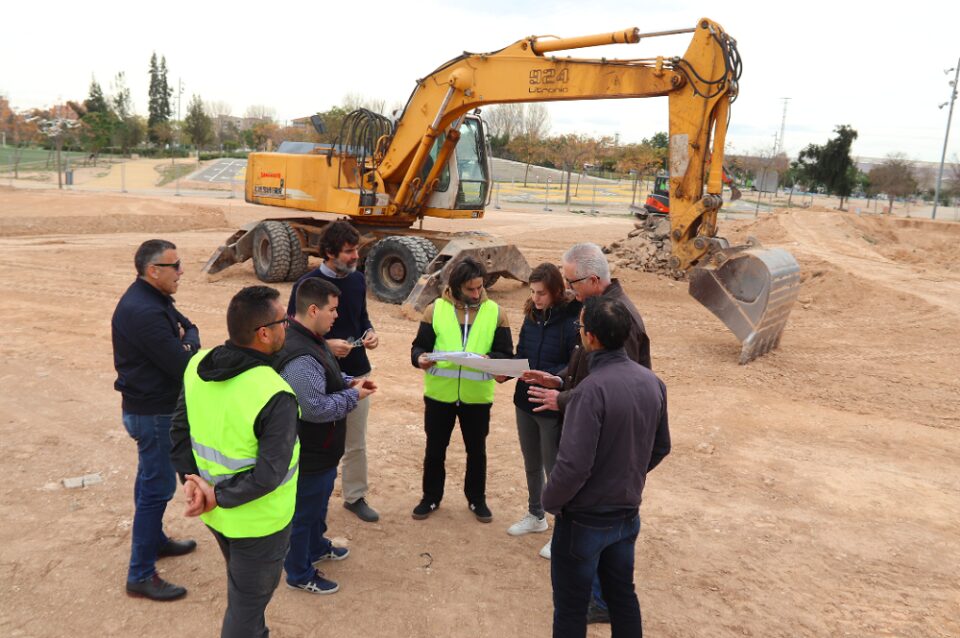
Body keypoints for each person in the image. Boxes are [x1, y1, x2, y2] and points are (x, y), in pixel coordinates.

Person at [523, 242, 652, 621]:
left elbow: (607, 389)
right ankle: (602, 598)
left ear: (594, 279)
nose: (568, 291)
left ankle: (598, 602)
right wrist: (560, 380)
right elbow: (587, 368)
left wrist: (552, 501)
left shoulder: (616, 318)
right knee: (617, 572)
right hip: (616, 483)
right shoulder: (598, 312)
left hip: (600, 481)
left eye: (571, 282)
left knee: (578, 590)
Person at [170, 286, 300, 638]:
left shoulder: (198, 364)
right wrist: (213, 494)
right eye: (283, 321)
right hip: (260, 522)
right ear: (264, 333)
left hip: (216, 515)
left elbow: (180, 430)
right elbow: (269, 475)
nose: (287, 327)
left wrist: (193, 482)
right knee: (246, 607)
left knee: (244, 593)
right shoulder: (275, 393)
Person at [542, 296, 671, 638]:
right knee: (622, 596)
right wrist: (625, 475)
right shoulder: (653, 383)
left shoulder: (591, 391)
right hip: (627, 514)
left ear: (591, 338)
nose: (580, 333)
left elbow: (573, 466)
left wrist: (550, 502)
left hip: (584, 520)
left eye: (581, 328)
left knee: (571, 607)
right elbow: (661, 447)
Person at [276, 278, 377, 595]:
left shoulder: (313, 339)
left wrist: (348, 382)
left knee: (317, 506)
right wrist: (353, 398)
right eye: (333, 310)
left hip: (322, 450)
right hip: (309, 452)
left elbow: (325, 376)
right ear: (313, 309)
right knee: (304, 513)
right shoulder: (301, 354)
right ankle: (299, 571)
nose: (337, 316)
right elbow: (314, 408)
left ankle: (316, 546)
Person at [112, 239, 199, 601]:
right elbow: (183, 364)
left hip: (152, 410)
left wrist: (186, 340)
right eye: (174, 266)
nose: (181, 272)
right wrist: (185, 346)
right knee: (157, 489)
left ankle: (157, 541)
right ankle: (141, 574)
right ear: (153, 271)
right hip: (153, 414)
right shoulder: (143, 311)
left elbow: (190, 329)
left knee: (149, 481)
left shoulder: (154, 298)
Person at [288, 221, 381, 523]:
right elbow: (291, 331)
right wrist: (326, 346)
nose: (356, 256)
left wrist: (370, 333)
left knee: (356, 441)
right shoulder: (306, 286)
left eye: (357, 250)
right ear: (329, 253)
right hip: (314, 374)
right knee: (311, 442)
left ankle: (354, 496)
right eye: (349, 251)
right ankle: (302, 498)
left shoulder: (357, 280)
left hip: (355, 373)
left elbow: (362, 318)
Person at [410, 257, 513, 522]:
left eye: (479, 288)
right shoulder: (435, 310)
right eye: (470, 289)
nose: (476, 293)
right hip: (439, 395)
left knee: (476, 451)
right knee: (435, 449)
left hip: (477, 397)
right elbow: (419, 347)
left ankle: (477, 500)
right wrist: (419, 358)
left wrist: (493, 360)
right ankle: (430, 498)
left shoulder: (496, 312)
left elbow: (506, 354)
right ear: (455, 286)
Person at [504, 263, 581, 559]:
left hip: (550, 403)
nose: (536, 299)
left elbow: (571, 366)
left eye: (541, 294)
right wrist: (506, 369)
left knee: (555, 469)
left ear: (557, 291)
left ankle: (561, 532)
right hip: (524, 401)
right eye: (533, 292)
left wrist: (548, 379)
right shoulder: (531, 316)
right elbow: (522, 352)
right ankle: (536, 516)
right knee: (532, 463)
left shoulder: (572, 319)